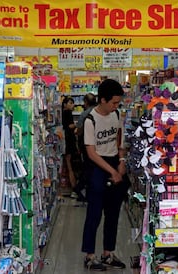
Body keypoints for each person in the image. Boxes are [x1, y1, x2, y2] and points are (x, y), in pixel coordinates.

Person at [81, 79, 128, 271]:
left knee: (113, 213)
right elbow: (91, 153)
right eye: (114, 102)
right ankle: (90, 256)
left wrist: (121, 161)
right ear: (102, 100)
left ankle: (108, 253)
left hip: (114, 162)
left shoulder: (115, 114)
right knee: (94, 214)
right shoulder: (89, 120)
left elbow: (119, 137)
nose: (116, 106)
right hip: (97, 167)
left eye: (118, 103)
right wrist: (112, 171)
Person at [74, 93, 97, 201]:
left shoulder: (85, 114)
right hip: (99, 145)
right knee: (94, 168)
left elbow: (78, 131)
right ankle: (91, 192)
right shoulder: (99, 112)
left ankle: (79, 188)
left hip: (86, 145)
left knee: (87, 168)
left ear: (86, 102)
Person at [61, 96, 78, 198]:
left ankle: (69, 188)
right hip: (69, 142)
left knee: (68, 165)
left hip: (66, 141)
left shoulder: (63, 113)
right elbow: (70, 126)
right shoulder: (67, 113)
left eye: (73, 103)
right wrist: (77, 125)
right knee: (70, 166)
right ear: (65, 104)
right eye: (70, 103)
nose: (73, 105)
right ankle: (74, 189)